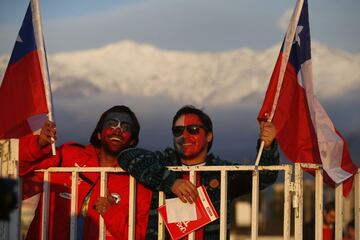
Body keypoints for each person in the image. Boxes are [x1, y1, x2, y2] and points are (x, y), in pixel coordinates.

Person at [118, 105, 279, 239]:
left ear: (209, 136)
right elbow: (127, 155)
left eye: (193, 129)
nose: (185, 136)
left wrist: (267, 147)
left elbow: (265, 177)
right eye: (178, 131)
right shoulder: (164, 163)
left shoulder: (221, 172)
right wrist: (170, 182)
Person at [19, 105, 152, 240]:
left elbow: (140, 236)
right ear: (99, 134)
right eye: (111, 124)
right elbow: (16, 172)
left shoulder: (138, 181)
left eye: (125, 127)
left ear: (133, 141)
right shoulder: (68, 156)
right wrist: (38, 145)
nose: (117, 130)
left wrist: (111, 213)